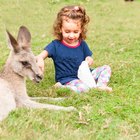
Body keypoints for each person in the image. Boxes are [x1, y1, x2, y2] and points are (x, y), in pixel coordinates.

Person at [37, 5, 112, 93]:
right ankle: (60, 87)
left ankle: (101, 86)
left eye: (75, 32)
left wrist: (89, 60)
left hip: (84, 75)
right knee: (84, 88)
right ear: (60, 29)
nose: (71, 35)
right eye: (67, 31)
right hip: (68, 79)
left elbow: (89, 57)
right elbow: (41, 56)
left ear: (81, 30)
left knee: (106, 68)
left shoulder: (82, 44)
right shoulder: (55, 45)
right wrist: (40, 59)